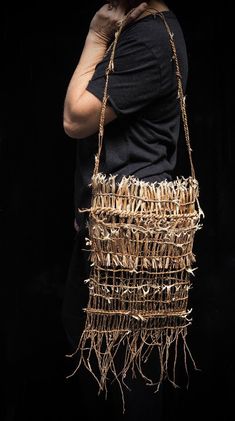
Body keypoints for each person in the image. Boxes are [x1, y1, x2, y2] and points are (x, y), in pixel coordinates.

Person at [62, 0, 188, 416]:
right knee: (108, 379)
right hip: (113, 235)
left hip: (130, 241)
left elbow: (76, 118)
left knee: (126, 385)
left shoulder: (150, 37)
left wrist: (96, 37)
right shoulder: (146, 31)